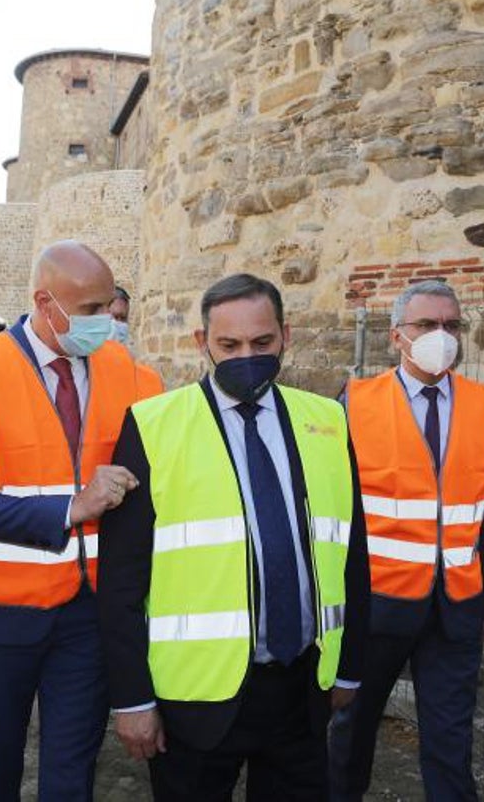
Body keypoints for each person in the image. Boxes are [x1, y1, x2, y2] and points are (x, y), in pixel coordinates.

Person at [97, 273, 370, 801]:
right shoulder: (153, 425)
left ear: (285, 336)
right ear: (203, 344)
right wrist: (131, 699)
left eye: (262, 343)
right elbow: (121, 578)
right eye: (230, 345)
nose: (248, 355)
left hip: (302, 686)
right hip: (194, 701)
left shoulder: (328, 421)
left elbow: (350, 553)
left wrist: (351, 668)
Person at [0, 240, 163, 801]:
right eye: (90, 311)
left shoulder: (129, 373)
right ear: (45, 301)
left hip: (88, 613)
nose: (105, 323)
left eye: (110, 308)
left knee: (72, 774)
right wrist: (71, 507)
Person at [329, 280, 484, 802]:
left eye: (452, 326)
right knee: (351, 735)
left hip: (455, 609)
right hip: (376, 608)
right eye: (426, 325)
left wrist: (483, 604)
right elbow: (339, 516)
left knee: (452, 741)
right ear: (396, 337)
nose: (442, 336)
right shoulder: (353, 404)